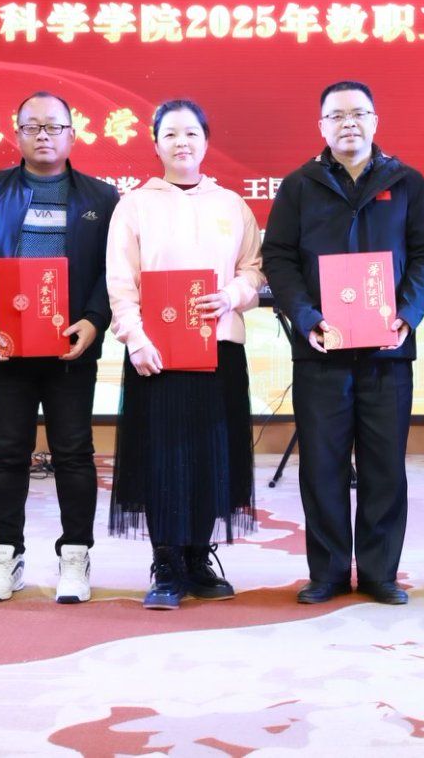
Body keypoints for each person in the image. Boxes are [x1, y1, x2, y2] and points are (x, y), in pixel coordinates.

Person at [261, 80, 424, 606]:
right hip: (321, 350)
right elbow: (279, 258)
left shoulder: (406, 182)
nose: (349, 124)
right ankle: (329, 572)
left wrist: (408, 314)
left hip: (388, 350)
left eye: (359, 113)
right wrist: (306, 318)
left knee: (384, 465)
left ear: (375, 121)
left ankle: (381, 572)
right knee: (323, 465)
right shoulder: (299, 185)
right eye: (337, 116)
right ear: (321, 126)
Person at [0, 91, 118, 604]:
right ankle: (6, 557)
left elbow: (112, 271)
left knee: (74, 452)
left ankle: (76, 556)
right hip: (7, 346)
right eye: (32, 126)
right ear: (17, 133)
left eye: (53, 126)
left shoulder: (102, 198)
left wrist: (94, 320)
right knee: (7, 453)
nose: (43, 135)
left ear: (72, 134)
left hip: (72, 348)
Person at [105, 99, 264, 610]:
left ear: (206, 141)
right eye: (170, 134)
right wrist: (135, 339)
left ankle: (198, 557)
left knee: (211, 456)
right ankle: (167, 563)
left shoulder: (232, 205)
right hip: (156, 354)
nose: (182, 143)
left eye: (191, 133)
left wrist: (234, 295)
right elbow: (120, 282)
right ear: (155, 144)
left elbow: (254, 268)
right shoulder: (134, 205)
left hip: (220, 348)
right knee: (163, 459)